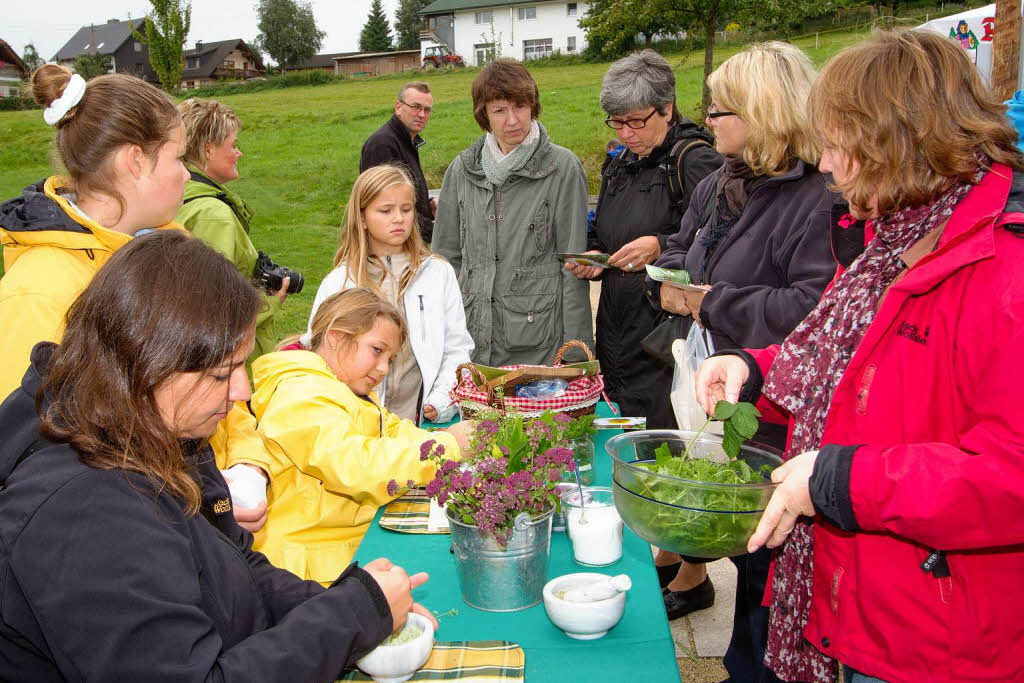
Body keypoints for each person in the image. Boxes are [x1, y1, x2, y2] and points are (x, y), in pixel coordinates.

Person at [696, 30, 1024, 683]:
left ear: (892, 141)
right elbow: (844, 366)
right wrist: (755, 370)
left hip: (937, 639)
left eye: (836, 142)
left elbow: (1009, 475)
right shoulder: (888, 241)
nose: (824, 164)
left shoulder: (1003, 270)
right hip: (858, 606)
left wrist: (843, 480)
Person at [0, 231, 437, 681]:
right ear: (150, 363)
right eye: (220, 374)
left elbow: (237, 563)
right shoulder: (86, 512)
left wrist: (344, 602)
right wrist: (351, 615)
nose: (242, 392)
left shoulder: (155, 424)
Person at [644, 42, 840, 681]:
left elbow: (814, 311)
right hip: (717, 390)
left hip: (776, 413)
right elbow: (681, 251)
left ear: (764, 112)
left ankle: (757, 667)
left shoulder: (817, 199)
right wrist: (661, 280)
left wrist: (712, 303)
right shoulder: (717, 184)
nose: (710, 117)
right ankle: (743, 660)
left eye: (721, 106)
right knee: (745, 551)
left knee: (768, 561)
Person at [229, 288, 475, 584]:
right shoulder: (300, 393)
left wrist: (445, 436)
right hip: (308, 572)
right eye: (377, 350)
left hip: (337, 550)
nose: (384, 368)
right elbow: (357, 466)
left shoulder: (342, 388)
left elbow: (393, 431)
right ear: (335, 336)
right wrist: (448, 446)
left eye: (390, 358)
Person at [0, 64, 186, 400]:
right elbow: (20, 439)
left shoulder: (177, 251)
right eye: (179, 158)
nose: (187, 175)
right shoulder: (37, 296)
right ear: (136, 161)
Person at [568, 49, 723, 432]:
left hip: (665, 342)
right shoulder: (619, 163)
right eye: (616, 122)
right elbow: (604, 229)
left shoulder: (694, 160)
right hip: (616, 332)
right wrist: (595, 255)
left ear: (667, 109)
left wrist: (660, 243)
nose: (624, 133)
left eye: (635, 121)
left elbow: (723, 238)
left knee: (663, 445)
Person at [432, 58, 592, 366]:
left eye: (520, 106)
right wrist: (442, 342)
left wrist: (575, 356)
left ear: (533, 105)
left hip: (540, 347)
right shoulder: (461, 171)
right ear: (484, 116)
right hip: (472, 343)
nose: (512, 120)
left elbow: (574, 266)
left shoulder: (562, 168)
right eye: (499, 110)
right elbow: (445, 263)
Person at [305, 164, 473, 423]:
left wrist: (439, 401)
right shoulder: (339, 282)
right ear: (361, 217)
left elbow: (457, 348)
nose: (399, 218)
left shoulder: (438, 274)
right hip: (356, 428)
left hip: (423, 425)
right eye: (385, 210)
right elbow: (317, 356)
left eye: (406, 209)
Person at [175, 97, 290, 365]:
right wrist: (270, 300)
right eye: (234, 145)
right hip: (228, 366)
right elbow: (214, 310)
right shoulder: (213, 216)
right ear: (208, 150)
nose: (240, 153)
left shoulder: (179, 200)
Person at [360, 82, 437, 243]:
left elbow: (406, 196)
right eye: (416, 107)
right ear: (398, 107)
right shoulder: (382, 145)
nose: (422, 114)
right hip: (390, 247)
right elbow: (387, 207)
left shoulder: (407, 141)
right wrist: (437, 232)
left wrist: (428, 206)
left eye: (427, 109)